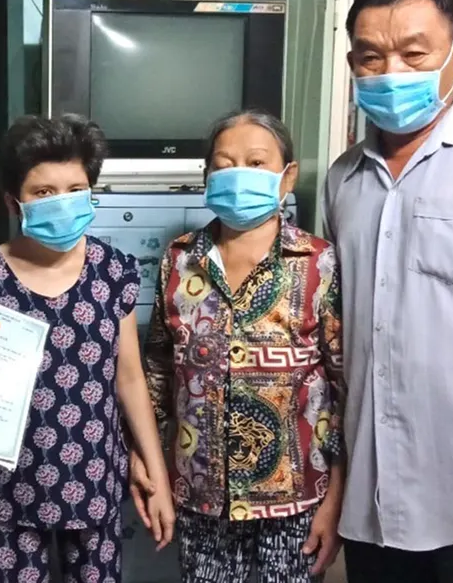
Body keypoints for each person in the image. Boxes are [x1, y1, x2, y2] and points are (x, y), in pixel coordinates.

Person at [0, 114, 175, 583]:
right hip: (4, 490)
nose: (61, 202)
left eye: (75, 189)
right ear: (14, 201)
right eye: (43, 192)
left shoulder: (113, 271)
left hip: (94, 478)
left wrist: (157, 473)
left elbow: (129, 377)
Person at [324, 0, 453, 583]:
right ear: (353, 64)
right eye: (371, 57)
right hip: (373, 496)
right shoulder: (343, 178)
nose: (391, 72)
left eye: (414, 54)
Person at [141, 110, 345, 583]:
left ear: (287, 176)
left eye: (256, 163)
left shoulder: (319, 262)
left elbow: (343, 387)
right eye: (224, 164)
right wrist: (144, 458)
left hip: (297, 501)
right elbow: (157, 369)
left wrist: (336, 499)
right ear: (207, 176)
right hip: (200, 496)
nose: (239, 175)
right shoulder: (179, 260)